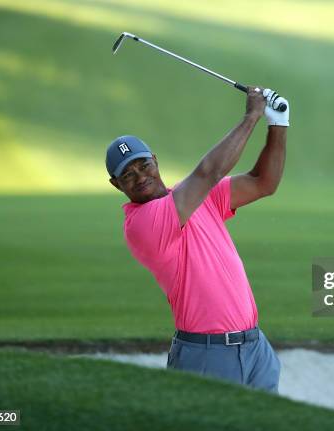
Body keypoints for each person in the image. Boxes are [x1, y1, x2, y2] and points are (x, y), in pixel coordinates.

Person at [105, 87, 289, 393]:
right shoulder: (141, 224)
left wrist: (278, 124)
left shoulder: (197, 197)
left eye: (143, 165)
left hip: (255, 346)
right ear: (116, 184)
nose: (140, 177)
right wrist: (251, 116)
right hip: (207, 354)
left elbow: (263, 183)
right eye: (128, 175)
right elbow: (209, 172)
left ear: (155, 160)